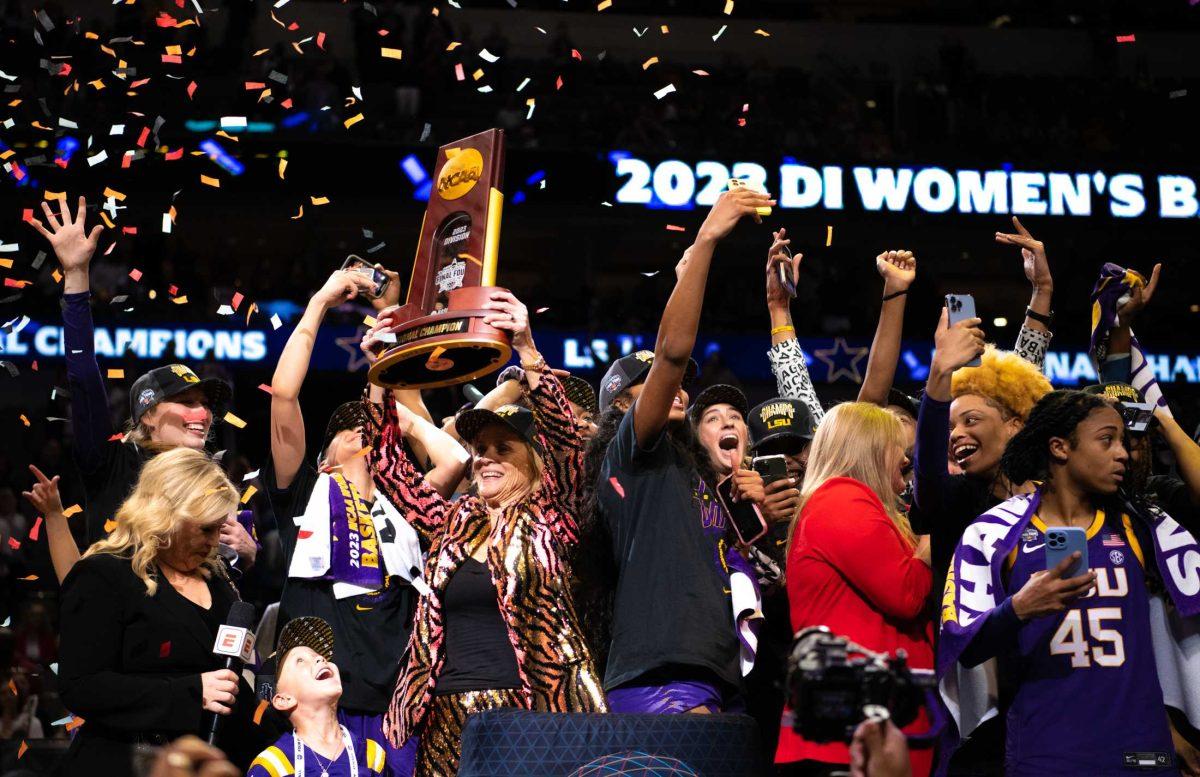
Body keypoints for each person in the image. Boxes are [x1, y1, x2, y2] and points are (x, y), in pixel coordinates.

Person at [367, 289, 606, 775]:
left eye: (503, 447)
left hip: (534, 710)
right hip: (445, 715)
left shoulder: (555, 516)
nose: (485, 457)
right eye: (480, 447)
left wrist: (527, 349)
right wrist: (380, 376)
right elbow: (389, 469)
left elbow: (565, 444)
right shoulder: (455, 521)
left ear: (535, 463)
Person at [939, 390, 1200, 776]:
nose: (1123, 454)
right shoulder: (995, 532)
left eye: (1123, 443)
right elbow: (964, 645)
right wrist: (1018, 609)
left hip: (1143, 754)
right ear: (1060, 448)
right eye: (1106, 440)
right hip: (1046, 753)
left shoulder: (1145, 526)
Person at [585, 185, 774, 715]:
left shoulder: (693, 472)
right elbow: (672, 351)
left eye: (677, 386)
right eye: (649, 387)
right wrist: (708, 239)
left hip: (720, 669)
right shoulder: (630, 454)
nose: (676, 389)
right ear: (621, 410)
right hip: (662, 670)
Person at [268, 267, 460, 776]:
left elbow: (455, 461)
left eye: (369, 426)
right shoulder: (309, 493)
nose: (362, 432)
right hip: (330, 703)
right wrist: (321, 300)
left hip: (401, 706)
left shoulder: (406, 501)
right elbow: (285, 394)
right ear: (324, 456)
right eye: (346, 429)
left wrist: (392, 392)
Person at [27, 196, 256, 567]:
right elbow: (84, 377)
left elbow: (220, 581)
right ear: (148, 415)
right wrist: (76, 277)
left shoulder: (213, 479)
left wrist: (246, 555)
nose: (202, 413)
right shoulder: (110, 462)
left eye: (204, 404)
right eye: (187, 402)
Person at [56, 448, 276, 775]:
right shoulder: (104, 575)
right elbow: (81, 687)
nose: (215, 542)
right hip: (126, 763)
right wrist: (190, 693)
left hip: (206, 761)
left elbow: (227, 685)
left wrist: (283, 722)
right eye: (205, 529)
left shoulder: (218, 579)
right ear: (166, 515)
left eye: (220, 528)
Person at [776, 403, 933, 777]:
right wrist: (933, 537)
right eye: (898, 448)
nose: (906, 458)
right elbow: (906, 593)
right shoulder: (841, 499)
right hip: (845, 738)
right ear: (872, 449)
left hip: (867, 730)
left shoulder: (856, 504)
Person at [249, 617, 388, 777]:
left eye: (320, 656)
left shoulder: (372, 755)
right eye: (300, 660)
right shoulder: (272, 766)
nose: (320, 658)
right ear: (284, 699)